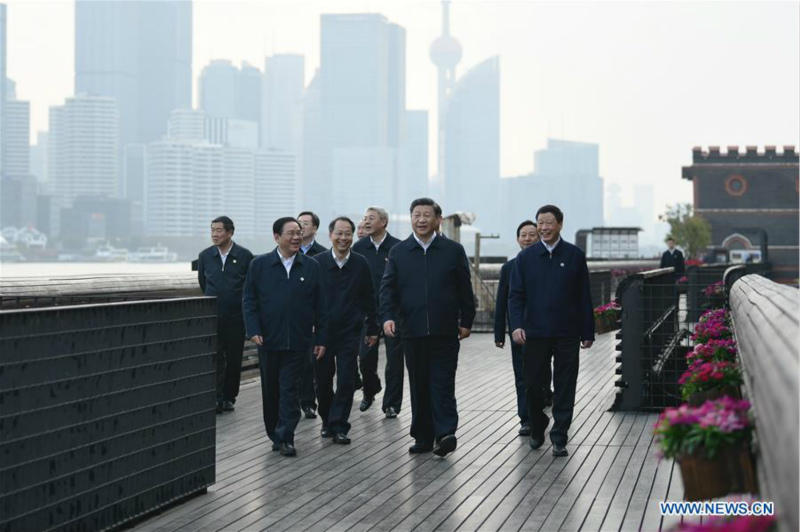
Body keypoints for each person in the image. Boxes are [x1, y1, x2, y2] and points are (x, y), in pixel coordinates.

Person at [381, 198, 476, 457]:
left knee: (443, 383)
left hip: (445, 331)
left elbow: (464, 288)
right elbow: (388, 289)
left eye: (426, 215)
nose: (421, 220)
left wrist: (466, 321)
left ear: (438, 220)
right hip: (411, 332)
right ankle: (423, 437)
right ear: (411, 218)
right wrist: (388, 317)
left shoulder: (453, 250)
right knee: (419, 384)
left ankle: (445, 433)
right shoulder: (400, 252)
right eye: (416, 215)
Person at [508, 204, 594, 458]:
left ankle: (560, 435)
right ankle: (538, 426)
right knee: (533, 385)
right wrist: (517, 325)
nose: (543, 227)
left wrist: (587, 331)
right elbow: (515, 296)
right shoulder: (525, 258)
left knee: (566, 385)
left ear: (559, 224)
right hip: (534, 333)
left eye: (548, 223)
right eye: (540, 223)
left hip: (567, 332)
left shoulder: (575, 255)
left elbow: (584, 297)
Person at [242, 217, 328, 457]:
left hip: (300, 340)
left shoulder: (311, 266)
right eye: (290, 233)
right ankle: (275, 433)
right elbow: (249, 300)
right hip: (268, 339)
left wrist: (321, 338)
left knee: (290, 389)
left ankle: (286, 435)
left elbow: (321, 306)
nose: (296, 237)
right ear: (276, 237)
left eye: (299, 233)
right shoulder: (259, 265)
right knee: (271, 390)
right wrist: (253, 329)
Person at [314, 217, 380, 444]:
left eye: (348, 233)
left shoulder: (360, 263)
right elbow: (307, 300)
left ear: (353, 235)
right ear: (330, 235)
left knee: (346, 380)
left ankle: (339, 425)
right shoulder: (317, 263)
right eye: (339, 233)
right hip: (321, 333)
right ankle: (326, 419)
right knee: (322, 380)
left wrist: (373, 328)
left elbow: (369, 297)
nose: (343, 238)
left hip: (350, 332)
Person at [494, 220, 552, 436]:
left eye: (532, 235)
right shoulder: (508, 268)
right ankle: (526, 418)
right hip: (519, 332)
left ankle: (543, 400)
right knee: (522, 376)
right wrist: (500, 333)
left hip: (545, 331)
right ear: (518, 239)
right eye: (523, 235)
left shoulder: (548, 263)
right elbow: (502, 302)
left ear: (539, 237)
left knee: (543, 373)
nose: (527, 239)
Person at [197, 216, 254, 414]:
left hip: (236, 317)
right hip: (213, 316)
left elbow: (250, 286)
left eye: (219, 230)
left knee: (233, 358)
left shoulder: (245, 256)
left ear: (230, 232)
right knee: (215, 358)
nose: (214, 234)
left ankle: (229, 396)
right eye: (212, 230)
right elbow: (203, 284)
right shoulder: (205, 256)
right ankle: (216, 397)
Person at [352, 206, 404, 417]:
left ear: (383, 222)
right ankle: (370, 389)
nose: (365, 222)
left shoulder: (397, 248)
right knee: (365, 357)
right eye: (364, 218)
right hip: (367, 312)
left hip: (393, 311)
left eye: (371, 218)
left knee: (395, 359)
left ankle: (391, 404)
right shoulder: (359, 247)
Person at [297, 211, 328, 419]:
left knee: (311, 364)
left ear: (315, 228)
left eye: (306, 223)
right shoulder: (288, 251)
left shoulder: (323, 254)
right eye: (299, 223)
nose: (301, 227)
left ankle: (309, 403)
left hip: (312, 316)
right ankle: (296, 401)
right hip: (291, 317)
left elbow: (324, 291)